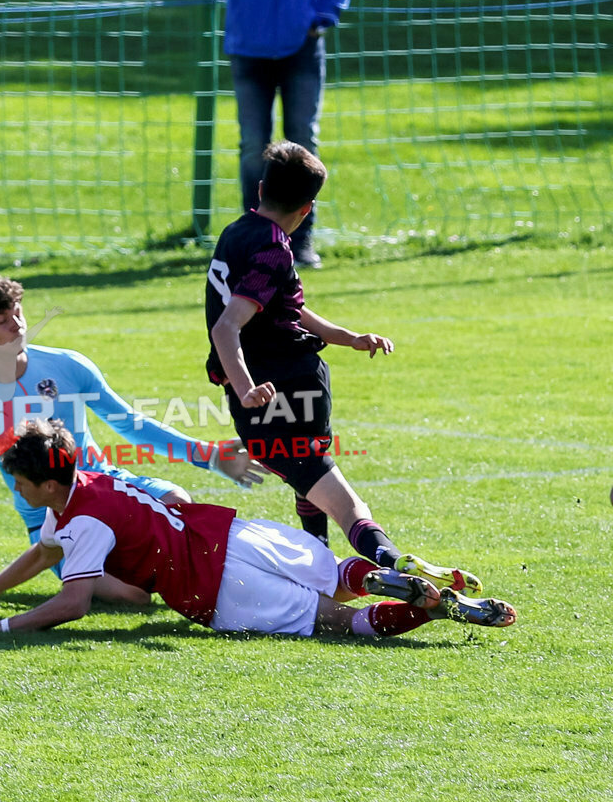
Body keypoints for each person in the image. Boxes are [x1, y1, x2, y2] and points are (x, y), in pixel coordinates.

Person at [0, 420, 516, 638]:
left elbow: (73, 603)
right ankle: (385, 578)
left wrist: (0, 625)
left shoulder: (82, 523)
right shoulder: (93, 482)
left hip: (212, 584)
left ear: (48, 484)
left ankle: (426, 612)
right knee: (337, 575)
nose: (16, 490)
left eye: (19, 482)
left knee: (338, 621)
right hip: (233, 533)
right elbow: (41, 552)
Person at [205, 140, 484, 595]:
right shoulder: (274, 249)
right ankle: (390, 560)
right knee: (333, 493)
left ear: (259, 190)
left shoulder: (236, 232)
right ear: (307, 209)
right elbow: (227, 327)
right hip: (285, 387)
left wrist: (348, 337)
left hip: (270, 392)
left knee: (312, 480)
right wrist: (247, 386)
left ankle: (331, 567)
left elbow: (282, 307)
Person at [0, 274, 266, 601]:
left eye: (18, 313)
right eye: (3, 321)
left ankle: (243, 587)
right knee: (132, 596)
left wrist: (210, 456)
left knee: (177, 502)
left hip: (111, 489)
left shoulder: (67, 365)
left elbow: (130, 424)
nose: (18, 325)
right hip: (52, 524)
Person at [225, 0, 350, 268]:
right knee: (253, 145)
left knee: (302, 142)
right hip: (247, 41)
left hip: (302, 42)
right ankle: (254, 241)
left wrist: (322, 16)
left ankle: (299, 242)